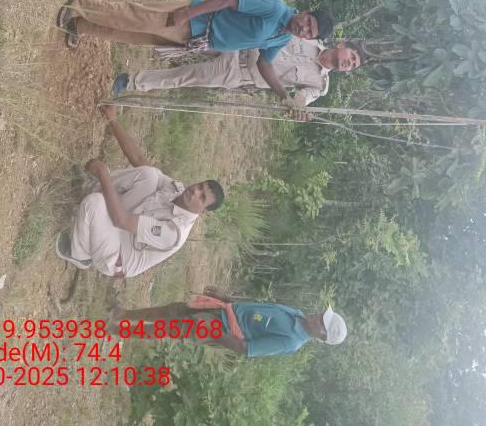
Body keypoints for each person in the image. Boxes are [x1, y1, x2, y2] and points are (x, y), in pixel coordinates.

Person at [56, 0, 334, 106]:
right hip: (195, 20)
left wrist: (284, 97)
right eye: (307, 23)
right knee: (137, 16)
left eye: (309, 32)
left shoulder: (282, 37)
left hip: (198, 40)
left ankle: (82, 26)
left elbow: (264, 64)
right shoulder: (275, 9)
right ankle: (79, 7)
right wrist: (187, 14)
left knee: (136, 35)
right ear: (305, 13)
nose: (304, 29)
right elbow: (228, 1)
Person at [56, 103, 224, 277]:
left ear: (202, 212)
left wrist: (103, 174)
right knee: (149, 175)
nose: (195, 192)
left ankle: (80, 255)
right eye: (200, 186)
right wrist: (113, 120)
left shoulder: (174, 232)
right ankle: (88, 189)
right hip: (122, 226)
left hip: (116, 256)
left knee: (95, 203)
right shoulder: (177, 191)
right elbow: (139, 160)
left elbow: (121, 220)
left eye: (202, 197)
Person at [110, 37, 368, 108]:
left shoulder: (320, 85)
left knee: (185, 76)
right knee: (185, 40)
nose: (349, 63)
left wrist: (297, 108)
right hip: (239, 43)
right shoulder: (311, 38)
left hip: (238, 72)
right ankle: (132, 36)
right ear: (343, 45)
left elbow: (300, 100)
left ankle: (131, 82)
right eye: (352, 56)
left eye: (353, 65)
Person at [108, 288, 347, 357]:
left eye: (322, 322)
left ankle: (116, 329)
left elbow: (245, 349)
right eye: (322, 315)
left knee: (168, 329)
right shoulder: (297, 314)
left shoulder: (290, 342)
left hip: (219, 329)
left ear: (322, 336)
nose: (318, 315)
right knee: (171, 311)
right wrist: (226, 300)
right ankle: (123, 314)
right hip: (223, 311)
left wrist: (212, 331)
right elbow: (256, 309)